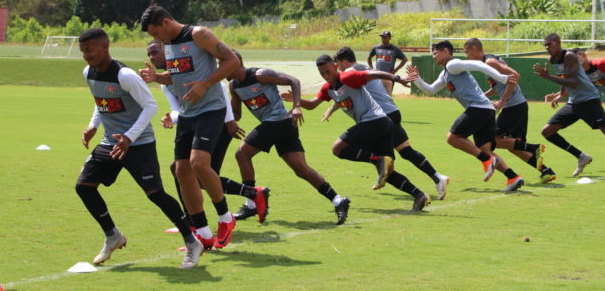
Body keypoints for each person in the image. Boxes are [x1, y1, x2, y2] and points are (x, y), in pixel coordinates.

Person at [76, 28, 204, 269]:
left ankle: (192, 241)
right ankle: (113, 235)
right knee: (84, 187)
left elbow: (150, 106)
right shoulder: (88, 72)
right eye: (83, 51)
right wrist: (93, 125)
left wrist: (129, 137)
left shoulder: (125, 76)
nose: (86, 55)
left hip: (139, 144)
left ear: (105, 47)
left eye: (90, 49)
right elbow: (101, 102)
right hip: (110, 142)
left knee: (155, 194)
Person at [139, 6, 238, 250]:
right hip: (187, 113)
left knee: (199, 164)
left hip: (210, 109)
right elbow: (177, 76)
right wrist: (157, 77)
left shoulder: (199, 34)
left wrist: (205, 84)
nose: (156, 40)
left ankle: (226, 218)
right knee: (181, 171)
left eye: (155, 34)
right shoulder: (169, 44)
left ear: (164, 22)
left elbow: (232, 61)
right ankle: (203, 234)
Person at [145, 41, 270, 230]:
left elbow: (217, 89)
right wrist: (171, 117)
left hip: (218, 124)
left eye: (155, 52)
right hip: (197, 124)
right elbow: (179, 110)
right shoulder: (165, 84)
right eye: (149, 54)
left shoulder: (186, 66)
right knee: (186, 171)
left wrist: (229, 120)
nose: (152, 58)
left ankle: (199, 220)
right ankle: (250, 195)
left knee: (196, 174)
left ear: (166, 51)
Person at [290, 54, 432, 211]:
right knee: (388, 173)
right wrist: (295, 100)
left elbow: (375, 74)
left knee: (337, 148)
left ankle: (378, 160)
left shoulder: (349, 76)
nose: (326, 76)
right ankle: (419, 195)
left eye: (327, 71)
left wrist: (398, 78)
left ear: (335, 66)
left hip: (376, 122)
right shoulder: (328, 88)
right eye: (322, 74)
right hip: (380, 125)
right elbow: (311, 105)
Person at [228, 51, 351, 224]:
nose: (220, 68)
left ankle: (251, 204)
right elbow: (236, 114)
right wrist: (224, 120)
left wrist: (296, 106)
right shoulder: (234, 86)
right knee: (301, 169)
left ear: (234, 63)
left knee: (242, 154)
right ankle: (338, 200)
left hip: (278, 121)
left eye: (223, 63)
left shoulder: (260, 75)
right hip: (283, 126)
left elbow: (294, 81)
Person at [328, 46, 451, 199]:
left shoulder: (353, 70)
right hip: (390, 111)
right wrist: (331, 109)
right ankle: (435, 178)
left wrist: (397, 80)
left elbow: (379, 77)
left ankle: (424, 183)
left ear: (345, 62)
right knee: (404, 152)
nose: (337, 70)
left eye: (337, 65)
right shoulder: (361, 69)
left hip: (381, 117)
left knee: (370, 153)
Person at [407, 40, 525, 191]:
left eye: (435, 53)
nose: (433, 57)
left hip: (479, 108)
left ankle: (487, 161)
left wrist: (502, 78)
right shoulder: (445, 73)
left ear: (446, 52)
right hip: (486, 109)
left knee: (453, 138)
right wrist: (416, 78)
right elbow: (430, 90)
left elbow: (479, 65)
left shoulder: (452, 64)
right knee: (485, 149)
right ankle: (513, 177)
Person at [534, 34, 605, 182]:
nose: (547, 47)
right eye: (545, 45)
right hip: (574, 103)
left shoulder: (570, 57)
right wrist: (561, 94)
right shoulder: (552, 60)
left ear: (559, 43)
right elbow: (564, 77)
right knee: (547, 131)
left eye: (550, 44)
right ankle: (581, 156)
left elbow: (573, 81)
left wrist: (547, 77)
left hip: (589, 100)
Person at [462, 38, 558, 184]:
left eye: (466, 51)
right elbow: (498, 86)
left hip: (513, 107)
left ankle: (533, 148)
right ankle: (546, 171)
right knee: (513, 146)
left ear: (474, 48)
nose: (466, 55)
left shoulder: (490, 62)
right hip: (517, 106)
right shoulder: (488, 62)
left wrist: (503, 101)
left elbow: (515, 76)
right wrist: (480, 97)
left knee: (492, 141)